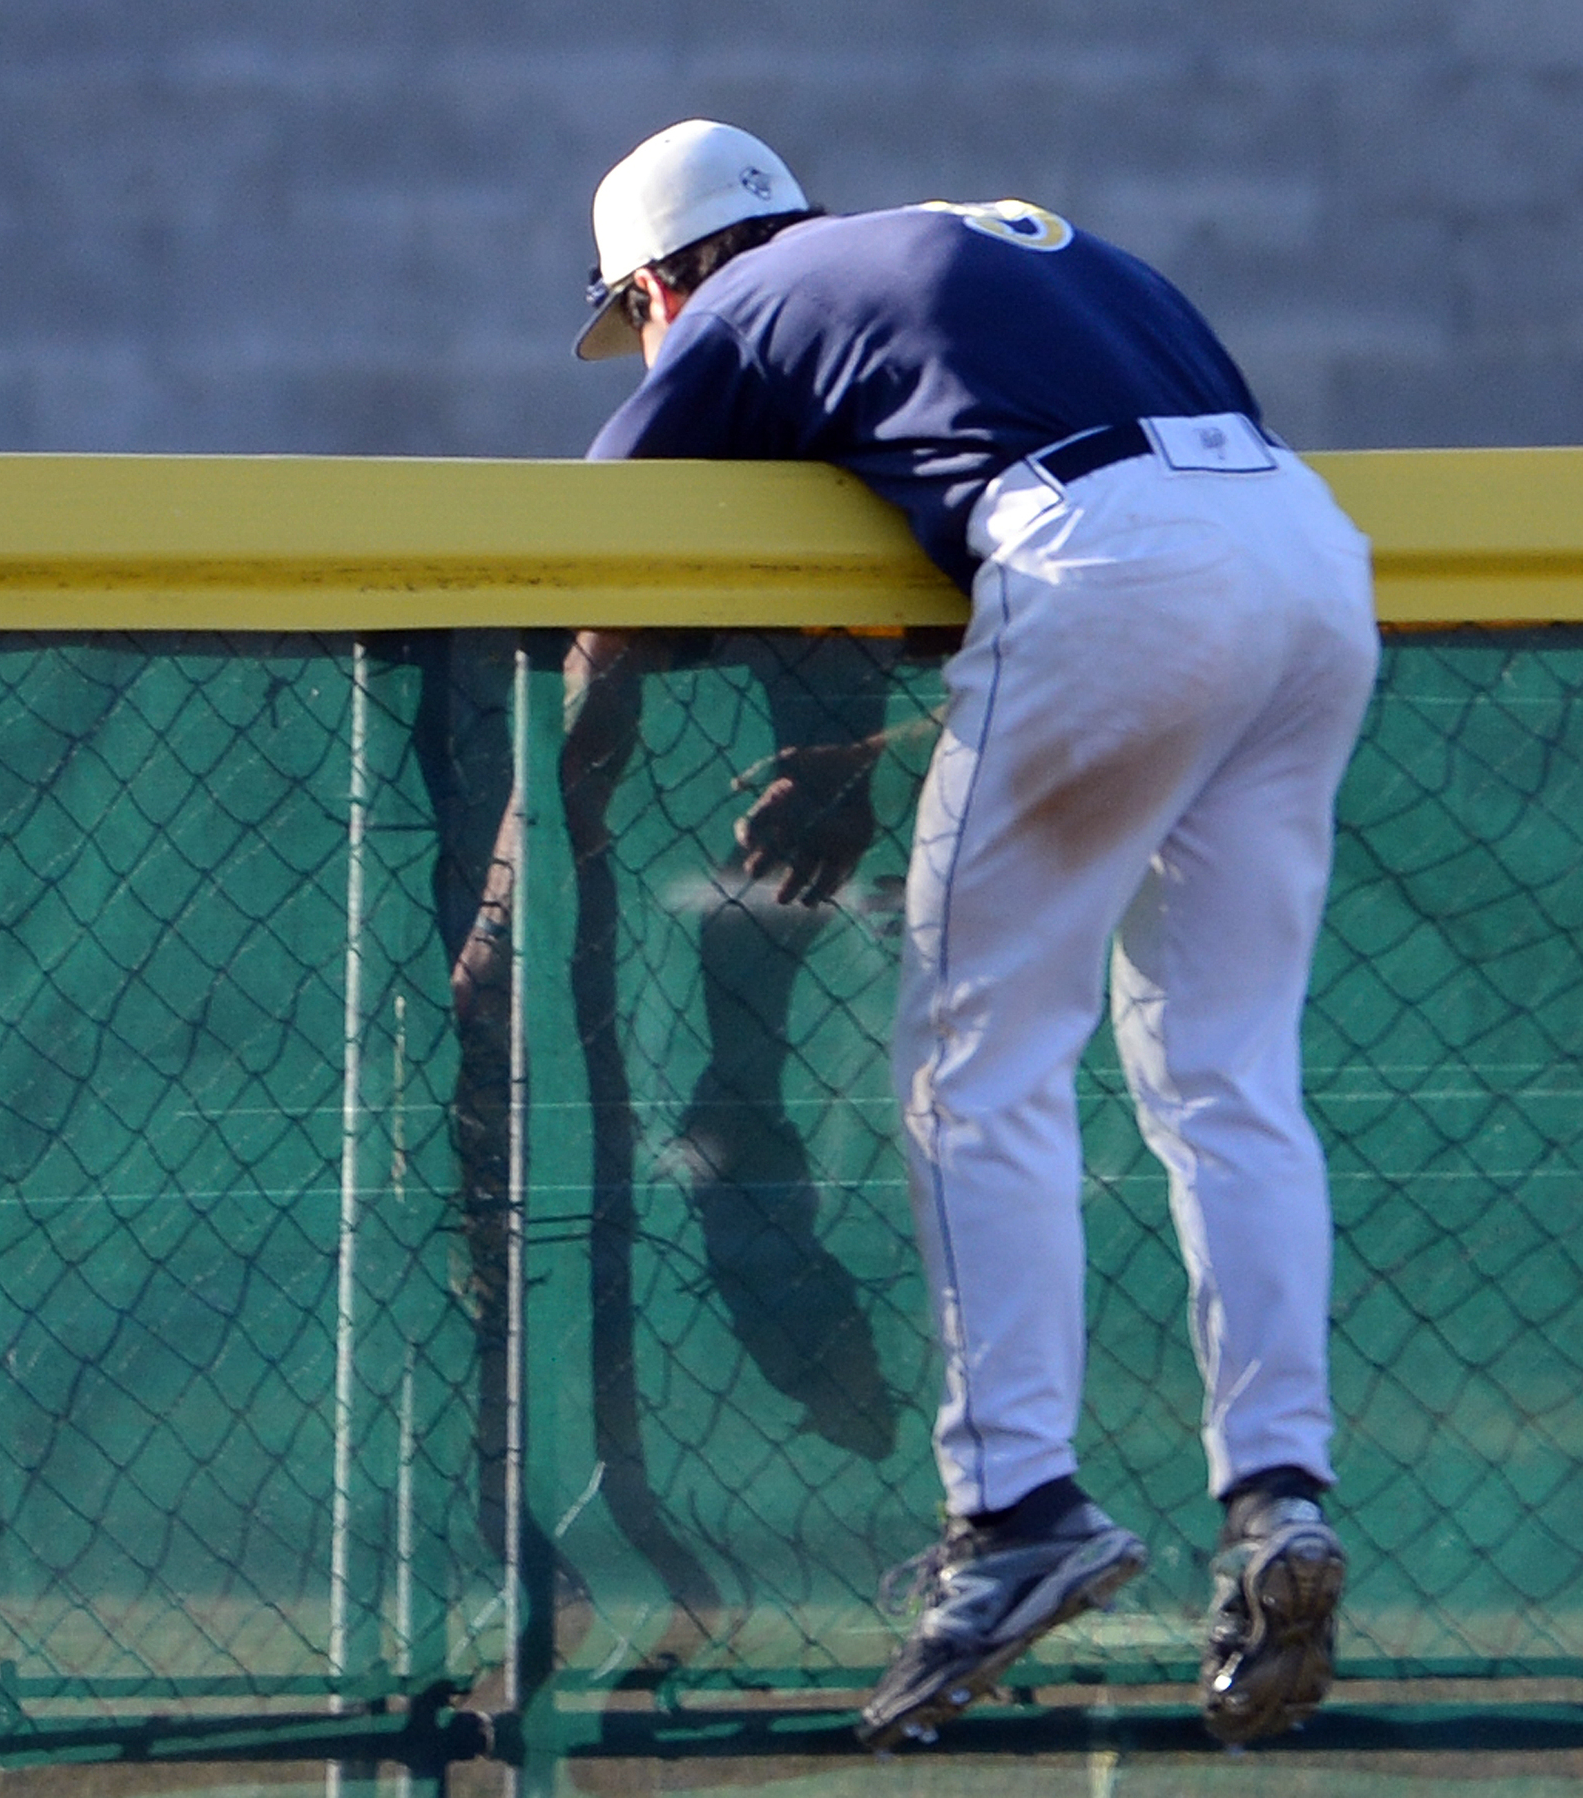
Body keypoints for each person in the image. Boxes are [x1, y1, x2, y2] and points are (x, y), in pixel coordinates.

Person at [573, 119, 1377, 1750]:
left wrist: (543, 838)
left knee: (976, 1058)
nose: (648, 339)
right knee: (1229, 1075)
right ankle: (1279, 1500)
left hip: (1109, 567)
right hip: (1305, 555)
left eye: (632, 314)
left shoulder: (735, 306)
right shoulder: (991, 253)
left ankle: (1016, 1507)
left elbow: (601, 571)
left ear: (660, 279)